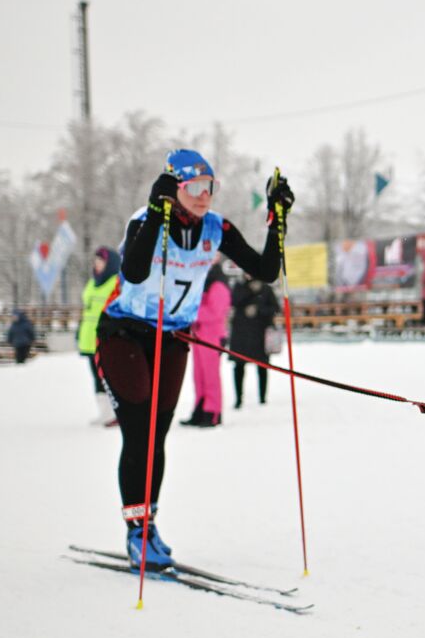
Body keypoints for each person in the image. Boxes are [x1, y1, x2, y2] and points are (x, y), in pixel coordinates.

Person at [95, 149, 290, 568]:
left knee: (158, 434)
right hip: (124, 332)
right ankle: (137, 532)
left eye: (210, 188)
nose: (204, 196)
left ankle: (150, 526)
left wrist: (278, 220)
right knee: (139, 431)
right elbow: (132, 270)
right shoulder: (146, 220)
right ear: (175, 188)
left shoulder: (216, 228)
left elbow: (266, 270)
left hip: (172, 336)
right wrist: (154, 208)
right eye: (195, 188)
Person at [180, 260, 231, 428]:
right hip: (200, 334)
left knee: (210, 376)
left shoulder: (218, 283)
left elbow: (215, 312)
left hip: (212, 336)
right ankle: (200, 408)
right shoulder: (204, 281)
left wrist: (192, 312)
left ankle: (213, 411)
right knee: (199, 375)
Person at [79, 247, 120, 424]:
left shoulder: (115, 282)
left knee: (109, 375)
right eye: (95, 261)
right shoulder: (93, 282)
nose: (97, 265)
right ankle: (104, 411)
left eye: (101, 261)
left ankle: (115, 411)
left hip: (104, 336)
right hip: (89, 337)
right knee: (96, 376)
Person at [229, 275, 280, 408]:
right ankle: (238, 399)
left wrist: (258, 309)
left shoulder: (265, 289)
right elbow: (233, 301)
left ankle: (262, 397)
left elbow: (275, 308)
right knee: (239, 366)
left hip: (259, 334)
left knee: (262, 366)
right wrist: (249, 291)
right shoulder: (239, 287)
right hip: (241, 335)